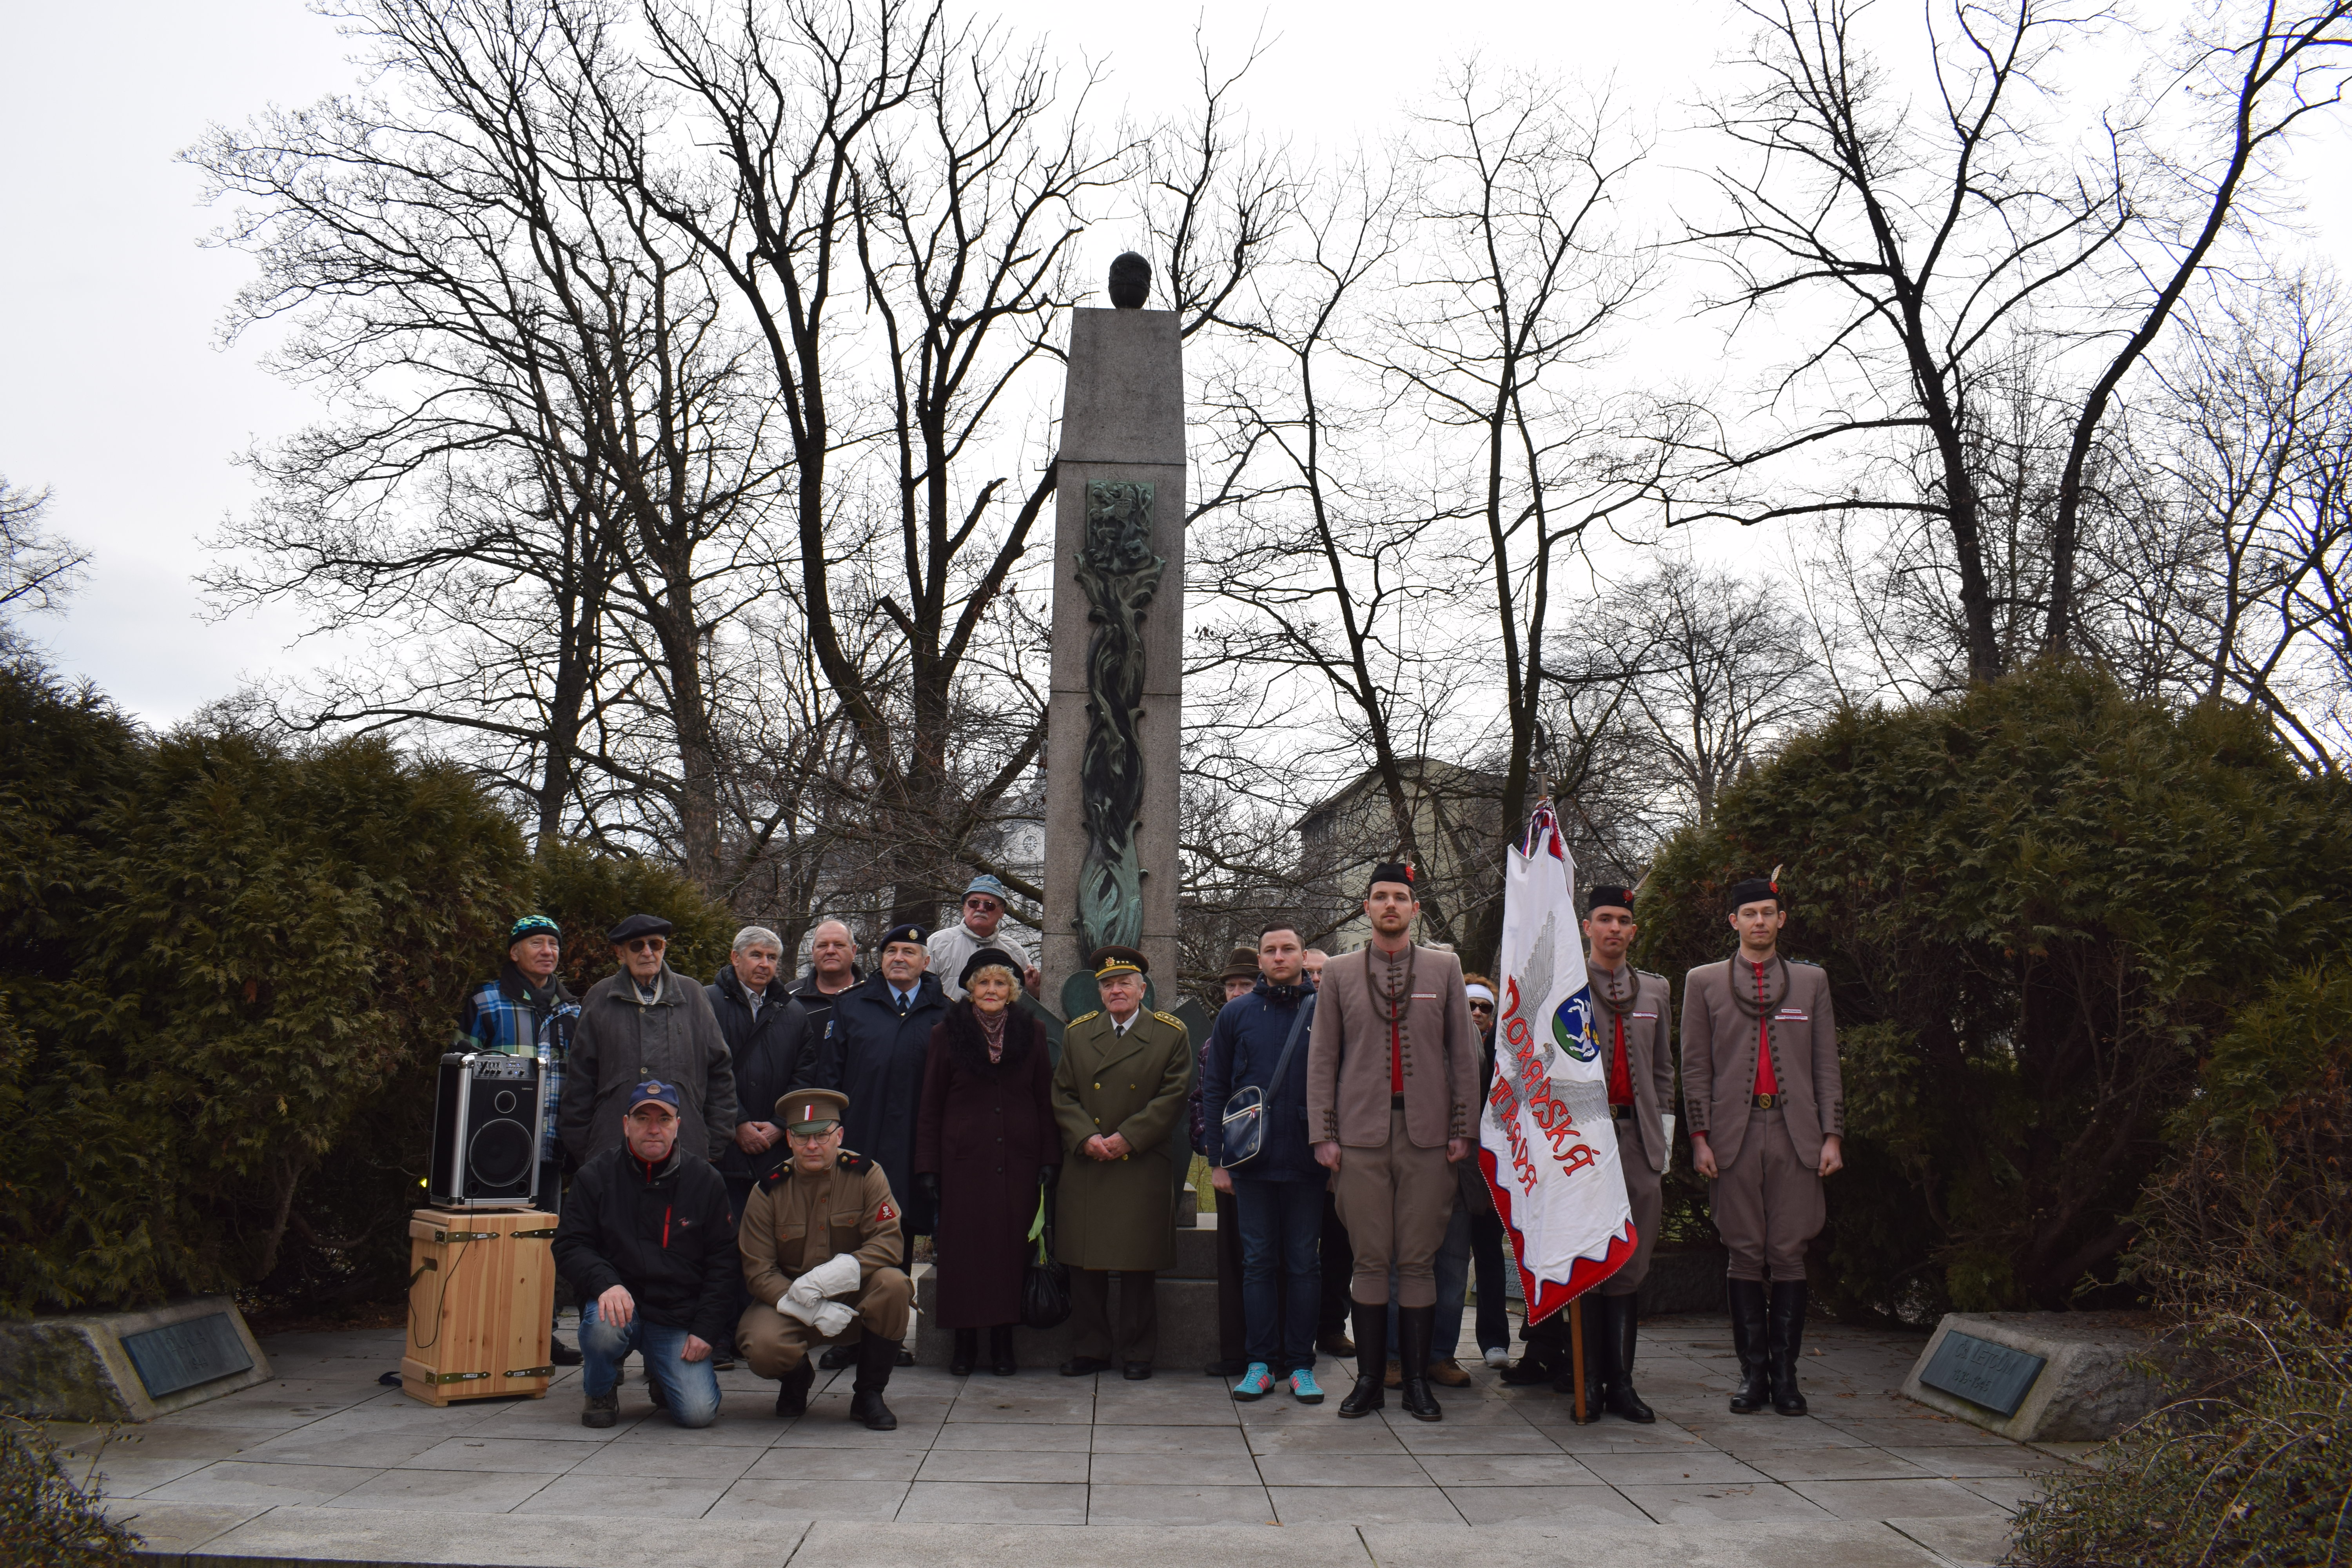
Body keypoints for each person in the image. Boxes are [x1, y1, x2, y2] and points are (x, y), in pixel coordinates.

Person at [1306, 862, 1481, 1423]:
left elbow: (1464, 1054)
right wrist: (1323, 1135)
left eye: (1400, 897)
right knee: (1370, 1260)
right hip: (1359, 1139)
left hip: (1428, 1138)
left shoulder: (1444, 967)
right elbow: (1322, 1058)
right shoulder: (1338, 971)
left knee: (1419, 1261)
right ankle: (1370, 1381)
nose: (1390, 905)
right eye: (1380, 896)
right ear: (1367, 907)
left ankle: (1418, 1382)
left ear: (1414, 908)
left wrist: (1463, 1128)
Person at [1682, 875, 1844, 1417]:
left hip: (1798, 1134)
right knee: (1745, 1250)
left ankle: (1787, 1377)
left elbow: (1826, 1063)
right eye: (1749, 913)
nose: (1759, 921)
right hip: (1734, 1133)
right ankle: (1753, 1375)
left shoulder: (1812, 982)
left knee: (1790, 1251)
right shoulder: (1703, 982)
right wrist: (1699, 1138)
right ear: (1734, 921)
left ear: (1781, 919)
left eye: (1768, 913)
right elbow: (1695, 1068)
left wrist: (1832, 1134)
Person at [553, 1079, 735, 1430]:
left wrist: (707, 1330)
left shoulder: (706, 1180)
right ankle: (601, 1389)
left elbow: (724, 1263)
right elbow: (570, 1244)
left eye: (663, 1120)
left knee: (698, 1414)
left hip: (676, 1315)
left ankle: (660, 1371)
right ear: (626, 1125)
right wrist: (605, 1284)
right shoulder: (594, 1176)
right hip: (618, 1309)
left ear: (678, 1125)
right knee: (602, 1328)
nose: (654, 1129)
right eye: (642, 1119)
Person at [913, 948, 1060, 1376]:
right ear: (971, 989)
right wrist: (928, 1165)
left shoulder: (1032, 1032)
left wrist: (1049, 1156)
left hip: (1018, 1161)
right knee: (964, 1255)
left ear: (1011, 990)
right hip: (963, 1162)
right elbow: (931, 1103)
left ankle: (1002, 1344)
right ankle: (963, 1345)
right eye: (983, 983)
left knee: (1011, 1253)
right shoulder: (946, 1033)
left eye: (1000, 983)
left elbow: (1044, 1099)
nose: (991, 990)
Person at [1051, 946, 1192, 1379]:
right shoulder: (1078, 1034)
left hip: (1140, 1162)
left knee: (1138, 1264)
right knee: (1084, 1263)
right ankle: (1091, 1348)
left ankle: (1137, 1352)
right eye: (1108, 984)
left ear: (1142, 989)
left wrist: (1128, 1137)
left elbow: (1173, 1095)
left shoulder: (1170, 1034)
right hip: (1089, 1161)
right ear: (1099, 992)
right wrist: (1086, 1137)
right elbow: (1063, 1093)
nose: (1116, 990)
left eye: (1124, 983)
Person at [736, 1089, 911, 1430]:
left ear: (839, 1135)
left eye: (822, 1135)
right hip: (792, 1300)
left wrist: (836, 1274)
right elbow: (758, 1271)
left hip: (856, 1296)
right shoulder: (769, 1190)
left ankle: (869, 1394)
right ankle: (797, 1378)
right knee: (761, 1346)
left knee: (894, 1285)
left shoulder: (866, 1175)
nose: (812, 1146)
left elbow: (889, 1243)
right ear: (789, 1139)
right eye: (802, 1137)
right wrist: (810, 1307)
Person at [1201, 924, 1325, 1405]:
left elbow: (1342, 1081)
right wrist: (1217, 1161)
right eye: (1270, 950)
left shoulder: (1325, 1009)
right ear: (1260, 960)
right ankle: (1259, 1362)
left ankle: (1301, 1365)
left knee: (1304, 1263)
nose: (1279, 957)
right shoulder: (1236, 1013)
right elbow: (1215, 1088)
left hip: (1309, 1158)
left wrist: (1336, 1147)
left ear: (1302, 956)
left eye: (1287, 949)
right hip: (1250, 1159)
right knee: (1257, 1264)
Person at [815, 922, 946, 1366]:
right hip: (859, 1142)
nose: (899, 959)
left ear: (925, 962)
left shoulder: (944, 1013)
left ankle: (888, 1338)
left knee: (900, 1236)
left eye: (909, 952)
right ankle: (848, 1336)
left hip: (912, 1146)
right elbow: (829, 1077)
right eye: (892, 951)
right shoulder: (851, 1005)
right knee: (849, 1235)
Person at [456, 913, 583, 1364]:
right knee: (492, 1243)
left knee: (543, 1245)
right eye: (536, 943)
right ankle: (484, 1337)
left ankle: (540, 1337)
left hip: (549, 1151)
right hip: (493, 1154)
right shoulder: (487, 1001)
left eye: (553, 943)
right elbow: (459, 1071)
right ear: (515, 953)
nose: (548, 951)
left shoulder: (573, 1010)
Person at [1579, 887, 1675, 1421]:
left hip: (1639, 1139)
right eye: (1605, 919)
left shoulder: (1656, 990)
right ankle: (1588, 1381)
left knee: (1631, 1261)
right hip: (1583, 1141)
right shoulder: (1567, 987)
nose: (1614, 928)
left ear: (1634, 931)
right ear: (1587, 926)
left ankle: (1622, 1384)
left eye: (1623, 920)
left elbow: (1663, 1071)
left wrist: (1664, 1144)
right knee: (1590, 1257)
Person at [560, 914, 737, 1167]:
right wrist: (587, 1147)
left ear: (664, 948)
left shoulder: (693, 995)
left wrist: (714, 1142)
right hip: (611, 1149)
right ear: (620, 953)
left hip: (686, 1148)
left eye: (655, 944)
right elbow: (580, 1079)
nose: (647, 953)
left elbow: (720, 1073)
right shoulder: (600, 998)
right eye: (637, 946)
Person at [1196, 945, 1262, 1379]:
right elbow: (1201, 1101)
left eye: (1246, 984)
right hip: (1232, 1166)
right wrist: (1215, 1153)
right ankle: (1236, 1351)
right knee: (1233, 1259)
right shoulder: (1212, 1042)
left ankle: (1277, 1351)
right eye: (1231, 986)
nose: (1236, 992)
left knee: (1276, 1261)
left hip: (1277, 1164)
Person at [1300, 945, 1355, 1360]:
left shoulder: (1348, 1015)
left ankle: (1332, 1327)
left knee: (1339, 1248)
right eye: (1310, 973)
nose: (1316, 979)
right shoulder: (1290, 1015)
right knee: (1300, 1250)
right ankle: (1298, 1329)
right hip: (1298, 1153)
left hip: (1343, 1151)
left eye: (1322, 972)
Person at [1460, 975, 1513, 1370]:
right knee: (1444, 1257)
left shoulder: (1505, 1053)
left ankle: (1494, 1340)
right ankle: (1437, 1345)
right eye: (1470, 1005)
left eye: (1485, 1007)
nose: (1477, 1012)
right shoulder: (1443, 1044)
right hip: (1450, 1165)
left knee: (1489, 1254)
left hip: (1492, 1167)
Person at [926, 875, 1043, 1000]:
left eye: (990, 905)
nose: (981, 909)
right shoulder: (938, 943)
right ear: (964, 907)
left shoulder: (1014, 951)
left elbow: (1024, 1002)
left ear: (1002, 912)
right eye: (974, 903)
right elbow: (922, 993)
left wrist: (1034, 993)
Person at [786, 918, 861, 1041]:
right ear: (813, 951)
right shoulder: (790, 996)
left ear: (853, 951)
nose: (830, 951)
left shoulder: (874, 995)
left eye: (839, 945)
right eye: (823, 945)